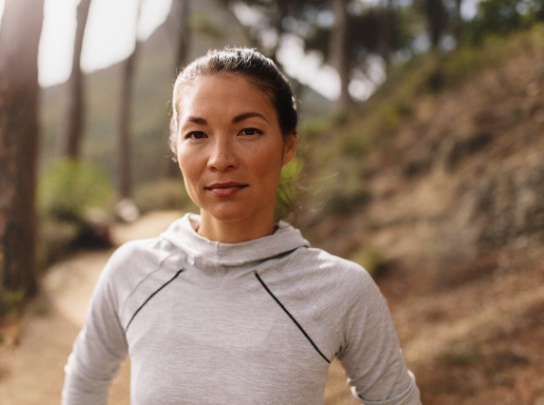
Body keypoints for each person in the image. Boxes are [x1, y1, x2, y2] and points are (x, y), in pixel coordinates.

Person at [62, 47, 421, 405]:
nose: (220, 160)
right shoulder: (132, 271)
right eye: (197, 135)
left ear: (288, 144)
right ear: (175, 144)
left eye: (248, 131)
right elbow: (84, 380)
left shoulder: (341, 290)